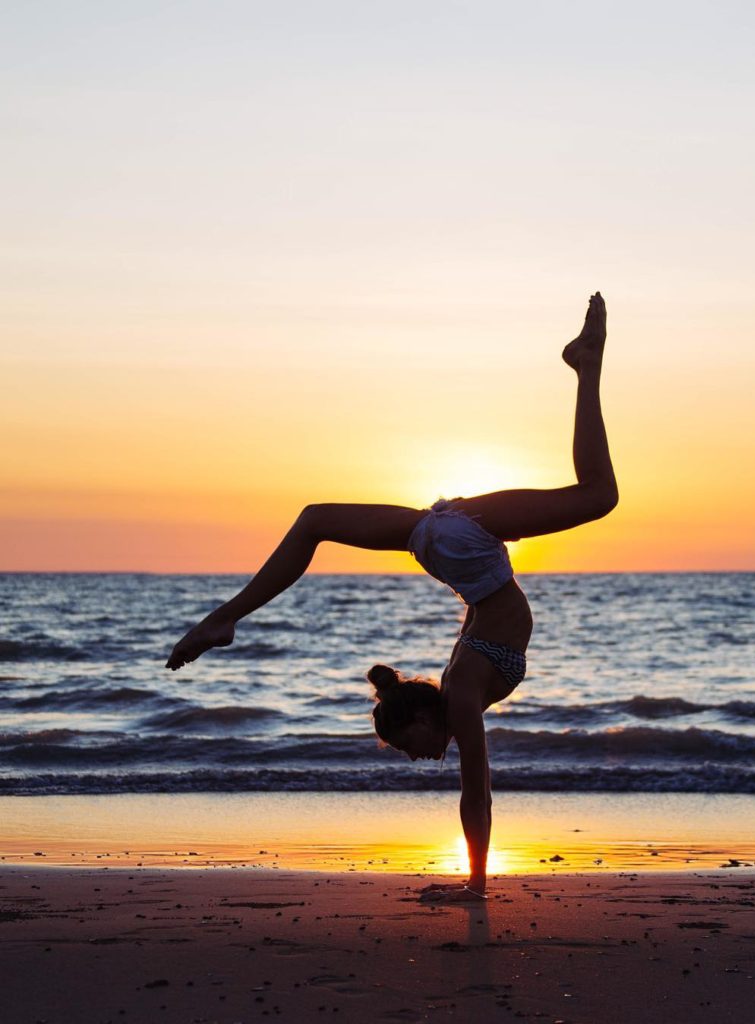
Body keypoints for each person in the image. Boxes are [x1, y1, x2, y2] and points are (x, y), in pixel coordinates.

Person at [166, 292, 617, 903]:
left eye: (410, 745)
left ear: (426, 717)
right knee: (314, 519)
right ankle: (222, 618)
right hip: (448, 538)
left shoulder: (460, 700)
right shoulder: (456, 678)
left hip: (463, 546)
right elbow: (483, 622)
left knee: (598, 495)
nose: (417, 759)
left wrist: (475, 887)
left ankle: (587, 365)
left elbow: (476, 791)